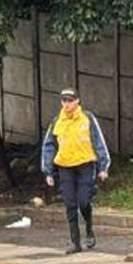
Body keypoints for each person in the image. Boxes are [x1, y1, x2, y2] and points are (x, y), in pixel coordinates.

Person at [41, 87, 111, 254]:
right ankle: (75, 242)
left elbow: (99, 142)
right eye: (64, 101)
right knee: (70, 204)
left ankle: (89, 229)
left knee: (84, 201)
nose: (67, 104)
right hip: (65, 166)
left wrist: (103, 167)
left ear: (77, 101)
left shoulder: (87, 118)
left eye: (70, 100)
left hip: (85, 164)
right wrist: (48, 171)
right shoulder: (57, 121)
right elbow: (49, 146)